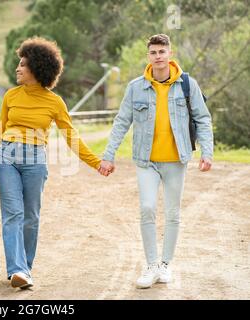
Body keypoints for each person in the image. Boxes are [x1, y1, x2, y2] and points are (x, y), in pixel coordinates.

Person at [99, 34, 213, 289]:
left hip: (176, 161)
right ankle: (151, 265)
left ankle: (165, 264)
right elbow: (121, 122)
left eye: (162, 51)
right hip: (146, 161)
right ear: (148, 56)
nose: (158, 56)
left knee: (173, 213)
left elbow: (203, 119)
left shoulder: (187, 85)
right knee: (147, 208)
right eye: (153, 52)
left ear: (170, 53)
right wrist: (108, 155)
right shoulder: (135, 87)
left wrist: (207, 152)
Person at [0, 37, 102, 289]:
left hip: (35, 159)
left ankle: (25, 271)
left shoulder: (54, 102)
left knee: (30, 216)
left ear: (38, 68)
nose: (17, 69)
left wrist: (95, 162)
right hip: (7, 157)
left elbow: (71, 136)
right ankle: (17, 269)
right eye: (17, 64)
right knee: (13, 214)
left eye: (22, 64)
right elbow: (0, 129)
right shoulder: (10, 95)